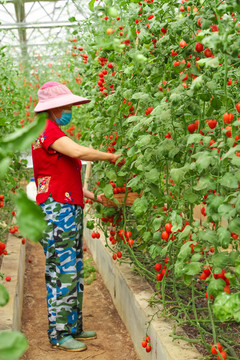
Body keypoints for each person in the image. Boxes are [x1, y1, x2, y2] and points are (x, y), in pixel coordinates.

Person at [32, 81, 122, 352]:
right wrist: (111, 156)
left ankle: (73, 327)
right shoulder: (47, 131)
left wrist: (95, 197)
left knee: (73, 271)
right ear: (54, 108)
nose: (70, 110)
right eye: (67, 106)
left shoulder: (53, 132)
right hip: (57, 212)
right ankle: (59, 334)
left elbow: (70, 182)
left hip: (67, 209)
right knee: (62, 272)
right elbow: (79, 152)